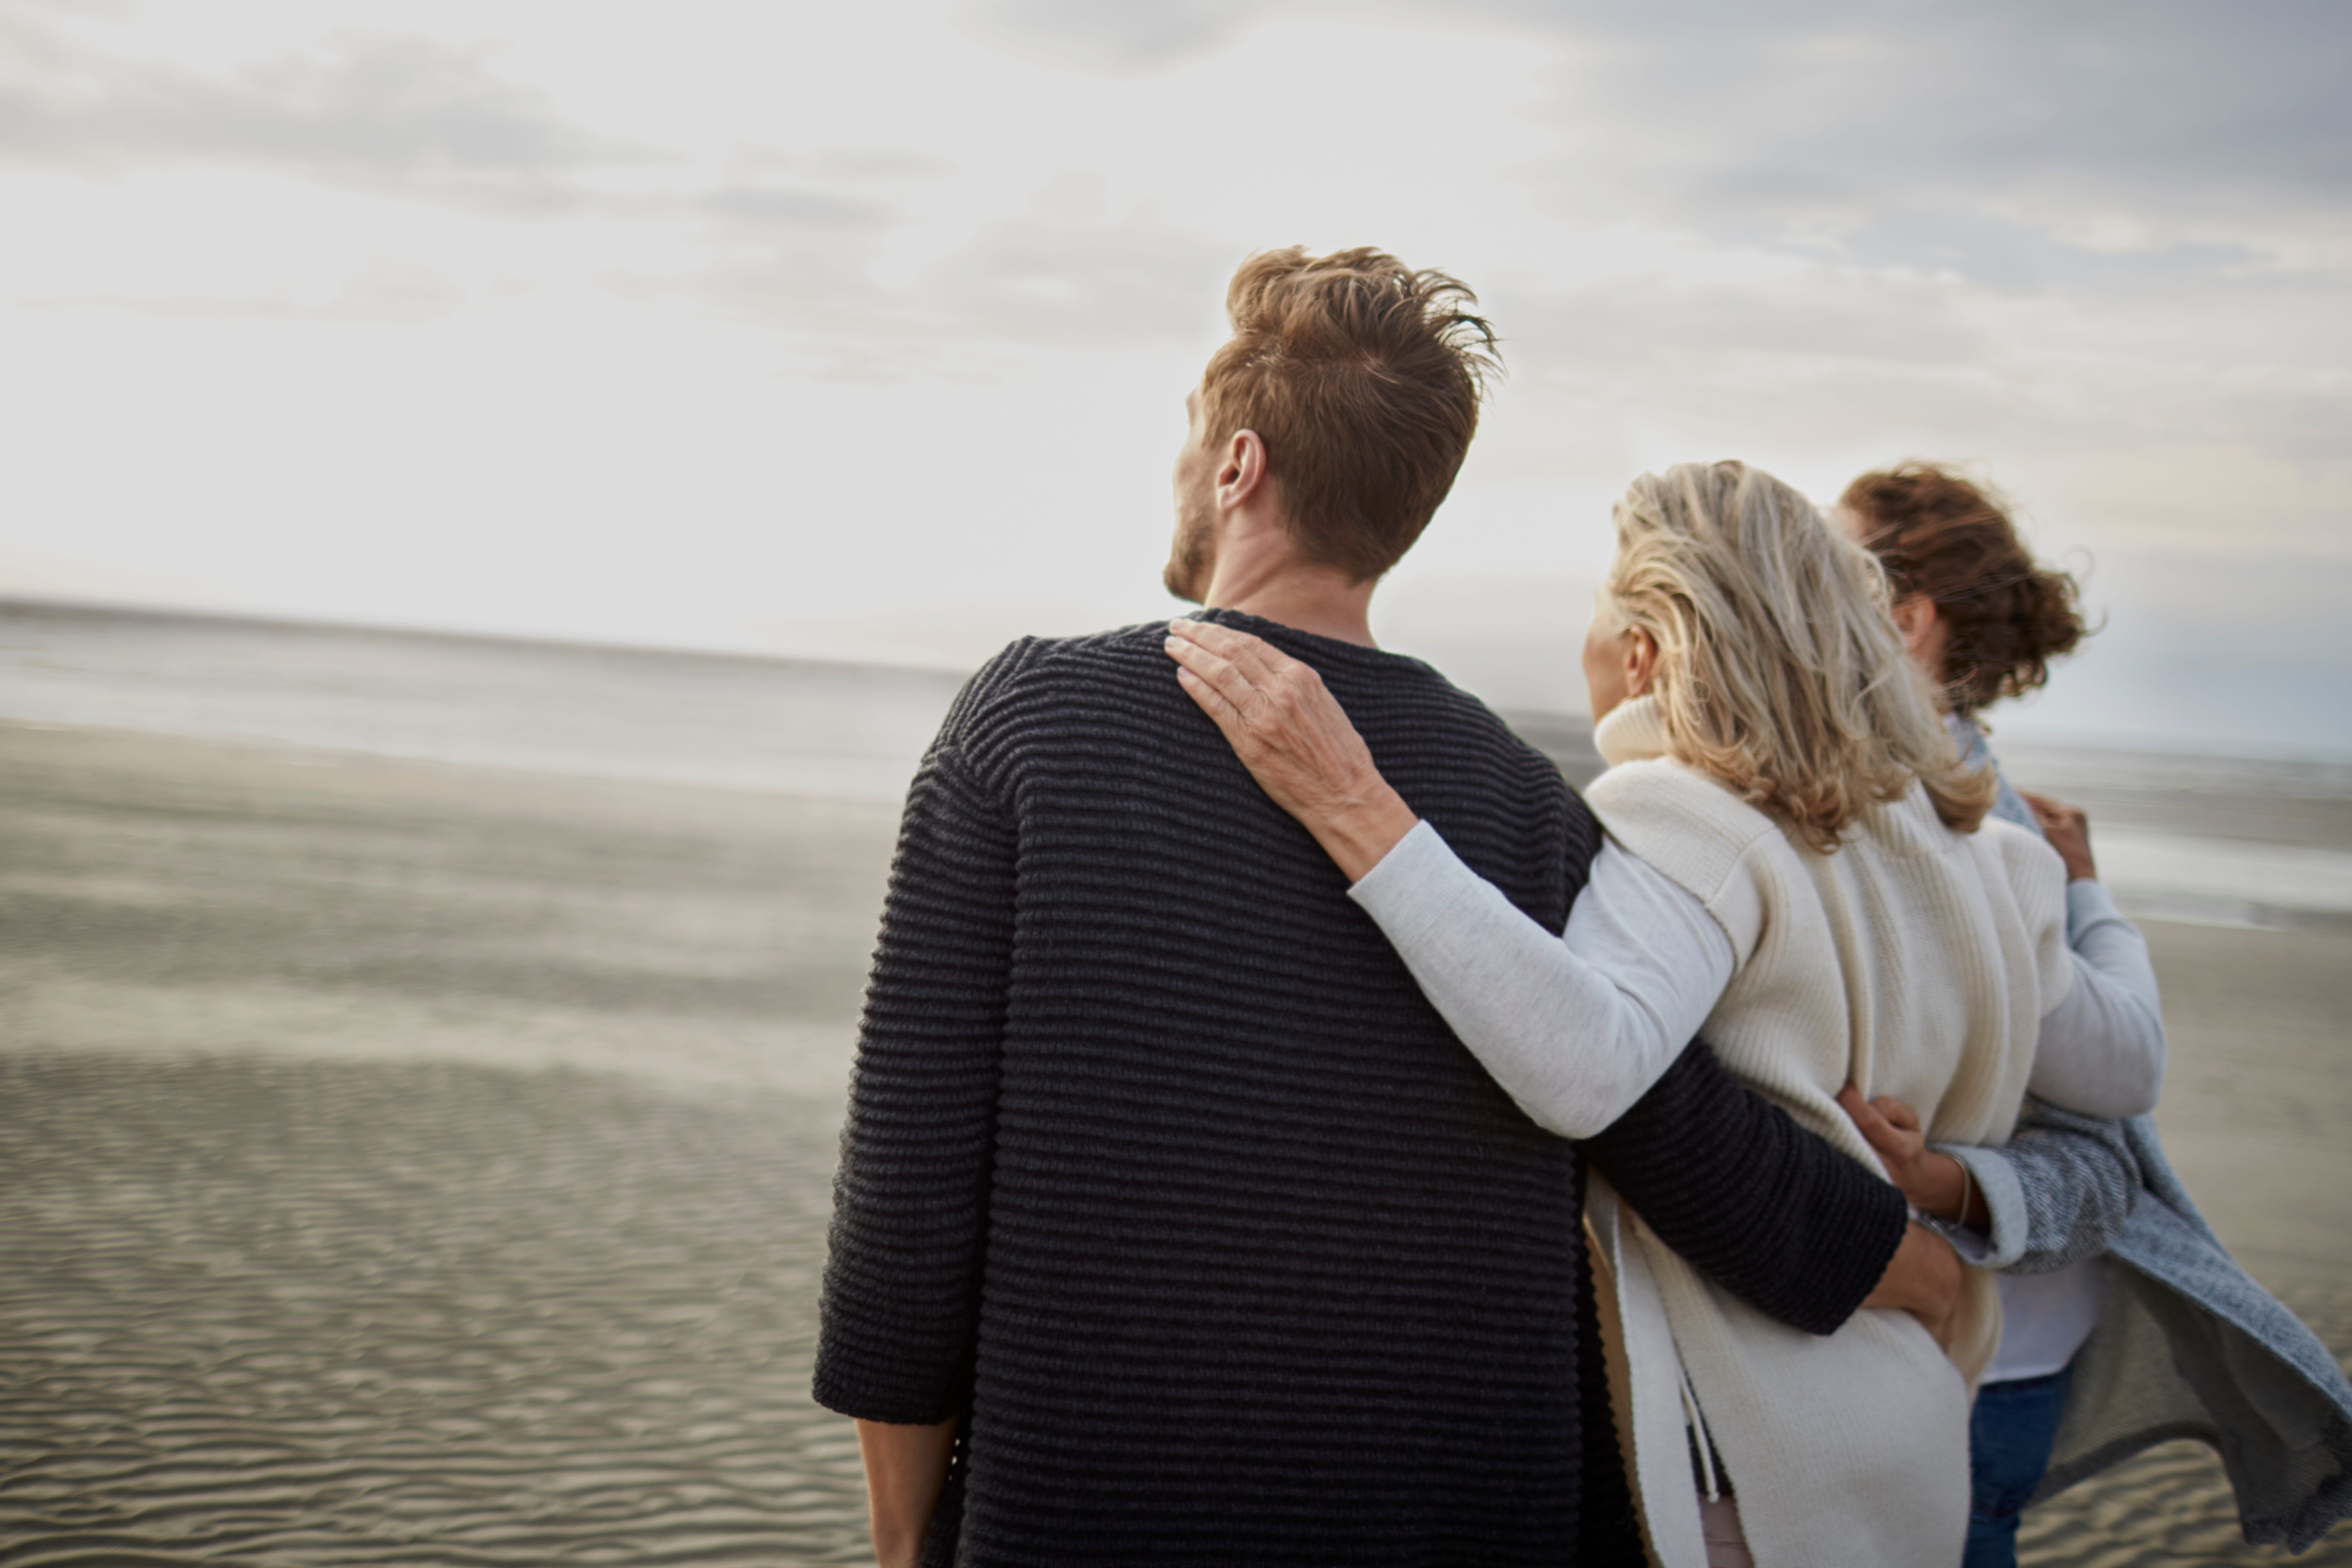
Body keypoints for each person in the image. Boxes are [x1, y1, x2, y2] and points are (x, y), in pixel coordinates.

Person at [813, 254, 1955, 1568]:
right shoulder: (1532, 804)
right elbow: (1668, 1129)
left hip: (1098, 1511)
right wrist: (1910, 1257)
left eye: (1191, 440)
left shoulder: (1031, 724)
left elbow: (910, 1186)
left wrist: (905, 1538)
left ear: (1238, 467)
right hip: (1465, 1518)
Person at [1163, 459, 2168, 1568]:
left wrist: (1354, 805)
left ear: (1644, 650)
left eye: (1600, 611)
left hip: (1755, 1473)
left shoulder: (1689, 813)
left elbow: (1587, 1066)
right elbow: (2124, 1074)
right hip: (1911, 1442)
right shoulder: (1995, 861)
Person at [1836, 462, 2352, 1561]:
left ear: (1907, 618)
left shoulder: (1970, 817)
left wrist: (2087, 895)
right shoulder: (1927, 781)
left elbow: (2124, 1068)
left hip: (1989, 1337)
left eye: (1831, 565)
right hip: (1965, 1318)